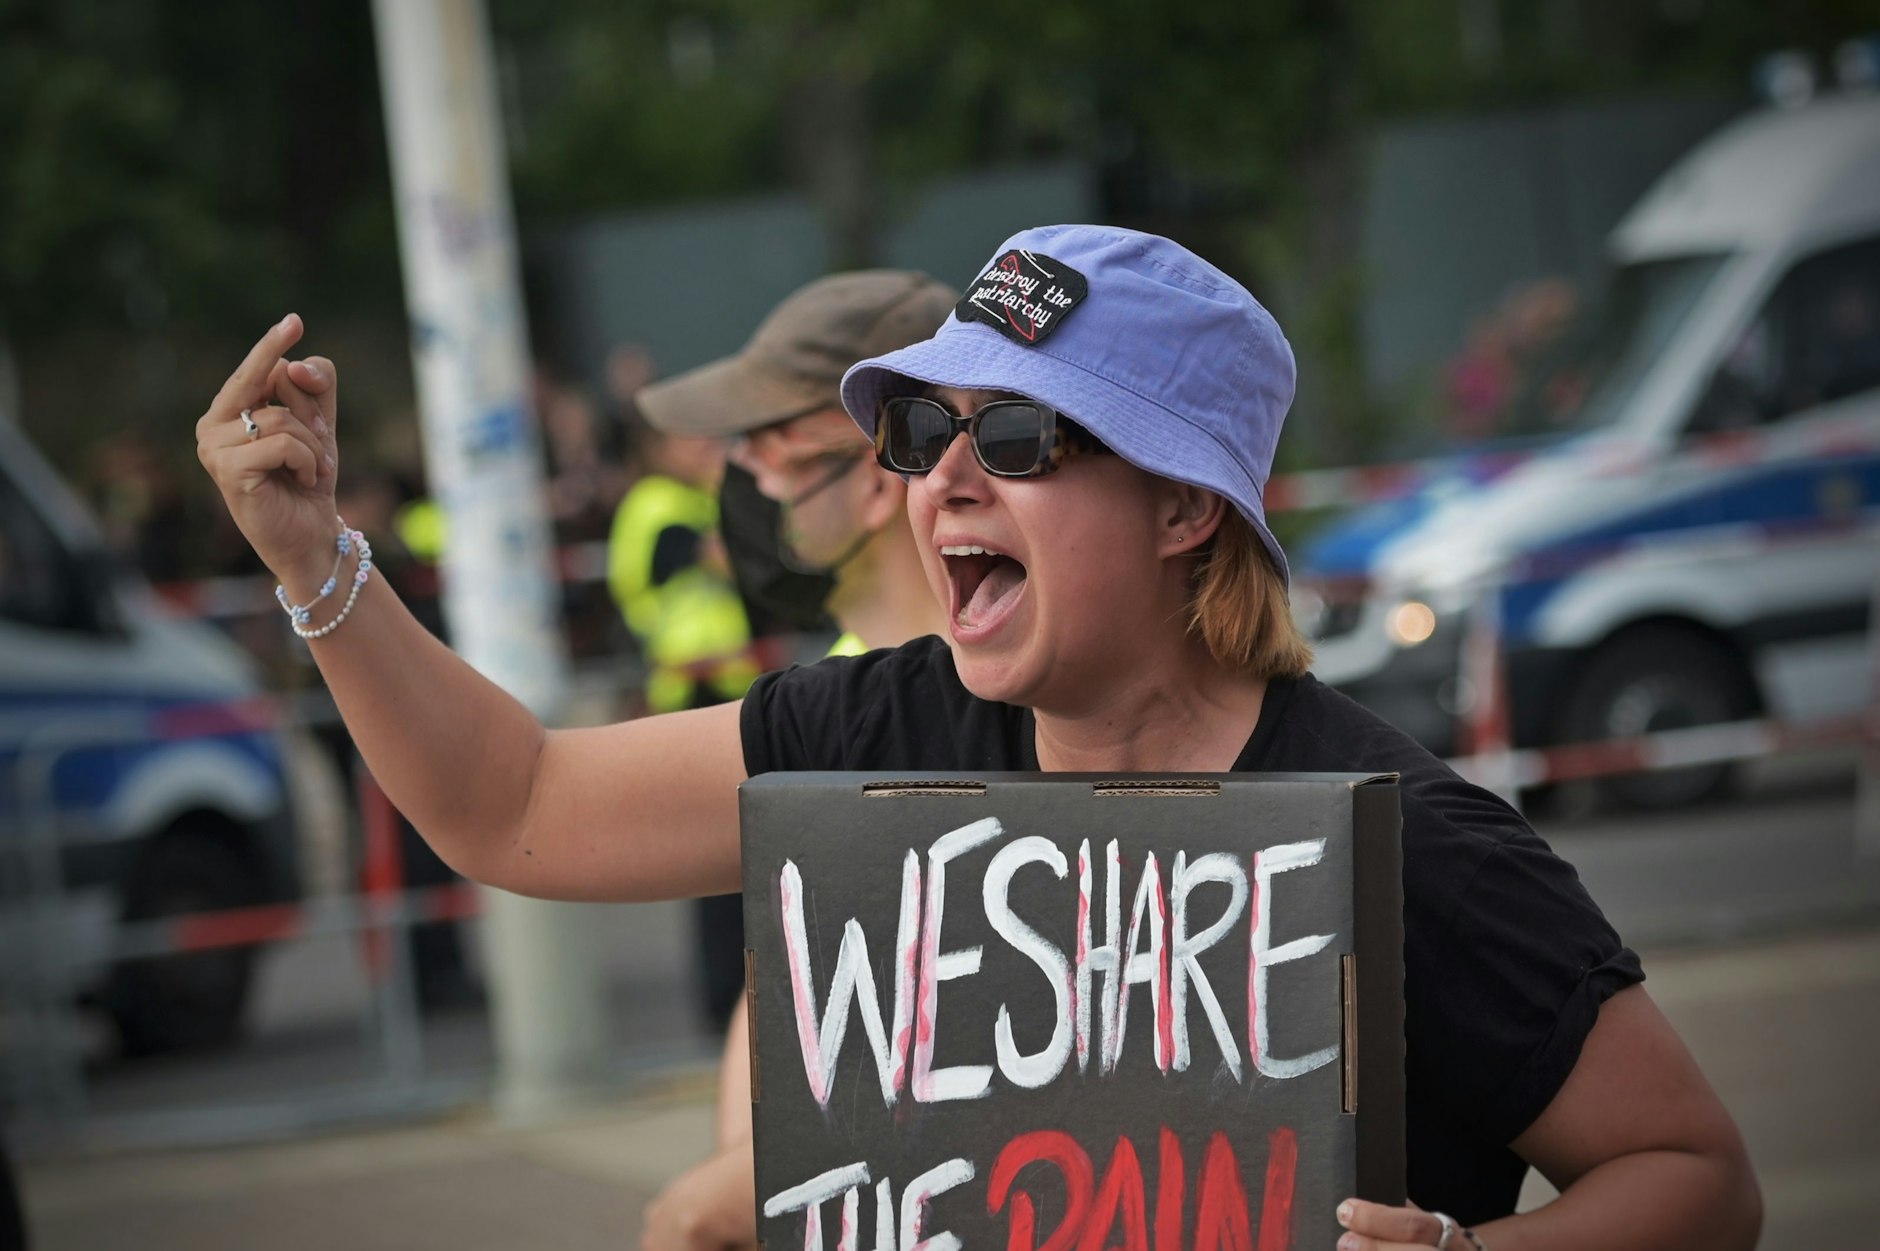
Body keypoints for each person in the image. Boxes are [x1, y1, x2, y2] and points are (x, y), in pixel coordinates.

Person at [194, 225, 1760, 1251]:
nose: (941, 477)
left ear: (1182, 504)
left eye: (1016, 437)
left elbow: (1699, 1182)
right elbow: (515, 804)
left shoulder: (1402, 835)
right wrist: (316, 560)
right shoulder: (869, 726)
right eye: (920, 428)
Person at [629, 270, 954, 1251]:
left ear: (869, 470)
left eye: (768, 438)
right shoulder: (835, 696)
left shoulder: (981, 706)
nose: (743, 472)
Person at [607, 425, 758, 1030]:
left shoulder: (688, 502)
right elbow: (715, 557)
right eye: (694, 441)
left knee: (735, 861)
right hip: (691, 690)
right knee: (719, 862)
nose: (708, 449)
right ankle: (723, 1003)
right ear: (656, 448)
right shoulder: (656, 505)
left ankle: (729, 999)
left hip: (725, 686)